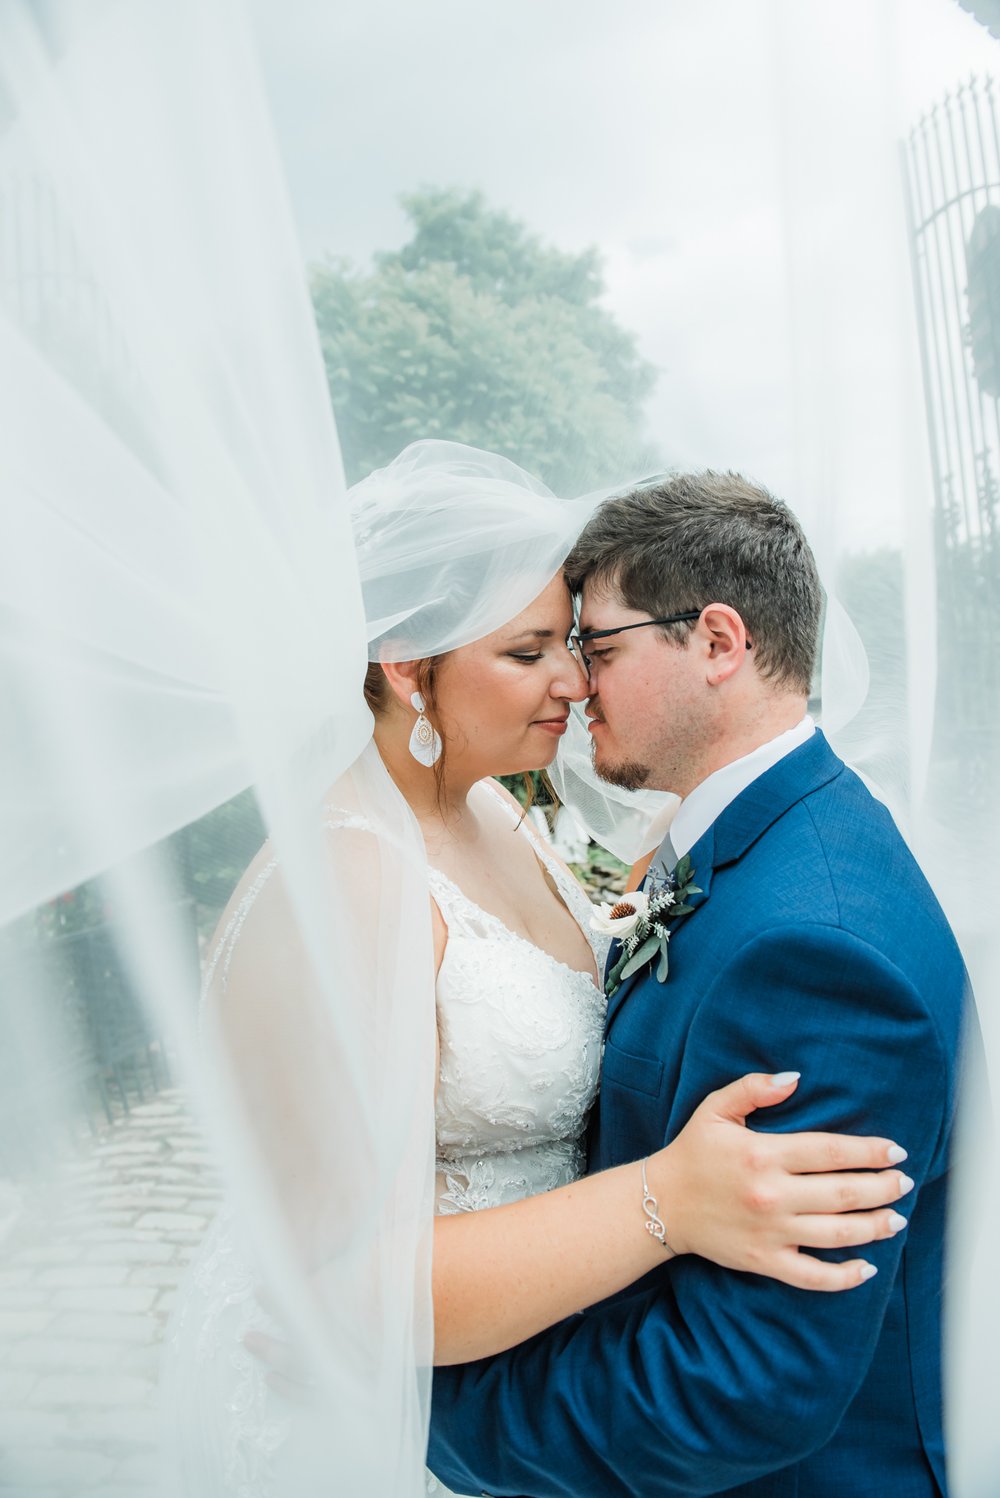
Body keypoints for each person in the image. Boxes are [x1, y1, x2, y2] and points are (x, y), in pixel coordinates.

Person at [164, 452, 914, 1497]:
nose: (571, 678)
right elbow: (343, 1280)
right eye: (525, 653)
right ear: (406, 668)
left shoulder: (505, 809)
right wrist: (665, 1199)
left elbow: (627, 905)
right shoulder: (350, 881)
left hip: (538, 1374)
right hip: (395, 1425)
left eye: (569, 641)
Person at [427, 471, 971, 1498]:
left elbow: (737, 1383)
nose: (577, 684)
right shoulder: (762, 841)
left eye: (598, 647)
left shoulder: (817, 947)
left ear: (717, 642)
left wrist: (416, 1403)